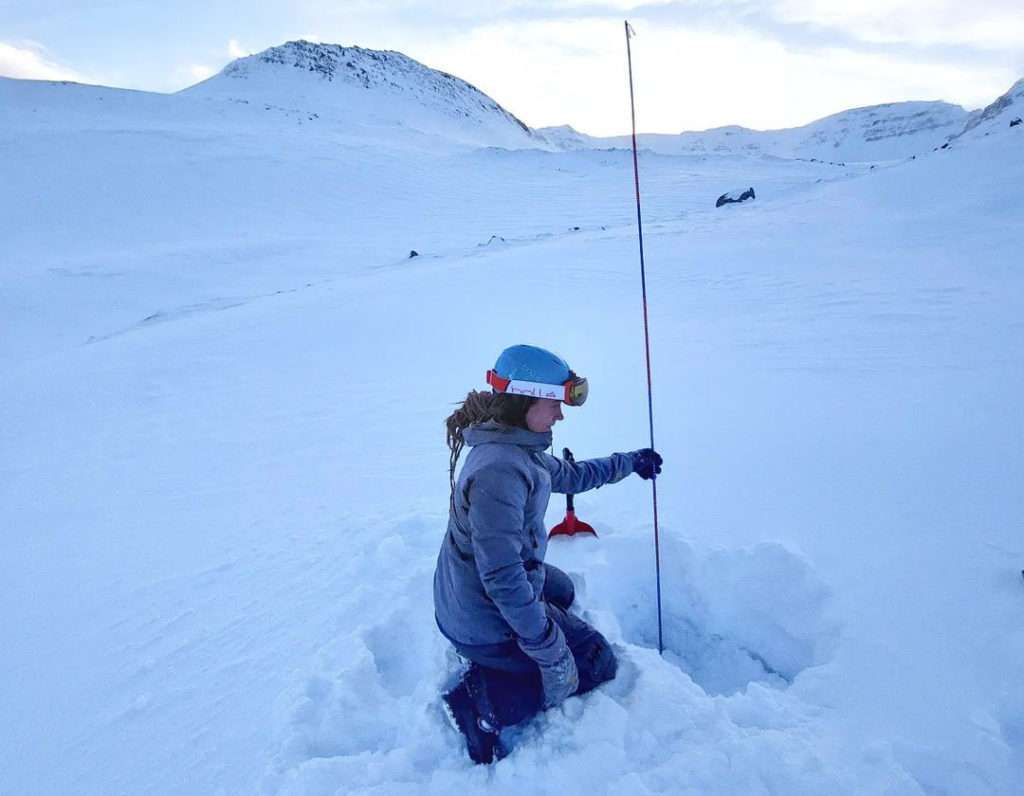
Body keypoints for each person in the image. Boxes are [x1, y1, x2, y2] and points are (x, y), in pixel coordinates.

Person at [434, 344, 663, 763]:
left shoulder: (519, 447)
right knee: (594, 661)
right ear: (525, 401)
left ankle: (513, 652)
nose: (560, 415)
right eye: (555, 404)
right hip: (479, 615)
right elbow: (503, 579)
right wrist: (550, 650)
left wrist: (631, 462)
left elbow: (572, 475)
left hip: (472, 589)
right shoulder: (499, 472)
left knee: (561, 589)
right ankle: (479, 706)